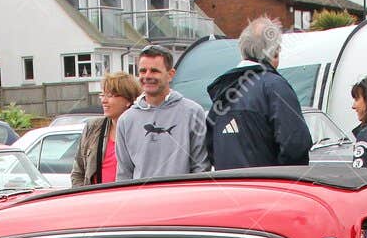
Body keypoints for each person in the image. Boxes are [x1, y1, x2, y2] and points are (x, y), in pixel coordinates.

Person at [204, 17, 311, 170]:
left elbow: (211, 148)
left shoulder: (223, 91)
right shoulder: (275, 86)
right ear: (274, 52)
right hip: (268, 189)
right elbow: (295, 145)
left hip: (228, 187)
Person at [115, 45, 210, 179]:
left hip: (182, 198)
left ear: (170, 74)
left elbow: (201, 168)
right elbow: (124, 173)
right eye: (143, 71)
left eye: (154, 71)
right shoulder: (126, 120)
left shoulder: (193, 113)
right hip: (141, 199)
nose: (147, 76)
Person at [72, 72, 140, 186]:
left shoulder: (141, 131)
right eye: (102, 95)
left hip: (129, 199)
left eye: (110, 95)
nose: (104, 100)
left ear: (128, 100)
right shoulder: (93, 128)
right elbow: (78, 173)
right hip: (97, 200)